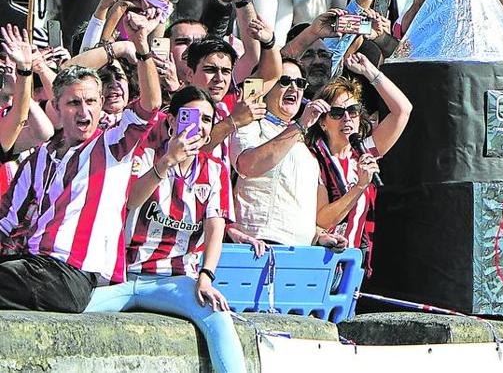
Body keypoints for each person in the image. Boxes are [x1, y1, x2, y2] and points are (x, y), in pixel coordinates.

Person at [0, 19, 161, 312]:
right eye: (74, 103)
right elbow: (8, 219)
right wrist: (25, 71)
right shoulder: (38, 158)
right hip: (33, 265)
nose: (84, 110)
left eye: (90, 101)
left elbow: (150, 106)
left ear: (101, 104)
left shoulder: (112, 145)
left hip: (70, 273)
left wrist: (142, 47)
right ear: (57, 107)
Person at [84, 86, 246, 373]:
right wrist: (167, 162)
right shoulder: (144, 154)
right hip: (121, 275)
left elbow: (215, 228)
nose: (200, 125)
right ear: (171, 120)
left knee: (218, 315)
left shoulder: (216, 169)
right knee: (70, 308)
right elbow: (132, 200)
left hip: (175, 279)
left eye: (207, 120)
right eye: (191, 116)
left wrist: (206, 276)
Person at [226, 59, 348, 250]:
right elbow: (248, 166)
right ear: (266, 87)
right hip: (258, 245)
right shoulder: (251, 123)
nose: (294, 88)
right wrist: (299, 125)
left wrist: (319, 235)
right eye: (284, 81)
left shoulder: (307, 145)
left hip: (300, 251)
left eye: (300, 83)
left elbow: (298, 205)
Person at [307, 56, 412, 271]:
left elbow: (403, 110)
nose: (347, 118)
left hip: (353, 261)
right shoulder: (312, 157)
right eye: (337, 113)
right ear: (323, 123)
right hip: (321, 259)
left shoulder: (362, 152)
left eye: (353, 111)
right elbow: (323, 219)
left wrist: (371, 73)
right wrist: (360, 186)